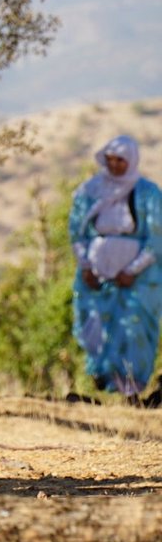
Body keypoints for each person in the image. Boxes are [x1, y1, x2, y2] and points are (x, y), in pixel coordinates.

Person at [69, 135, 162, 403]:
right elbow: (77, 232)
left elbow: (155, 238)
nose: (115, 165)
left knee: (134, 329)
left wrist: (133, 269)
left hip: (138, 279)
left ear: (131, 161)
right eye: (111, 160)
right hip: (97, 275)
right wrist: (86, 265)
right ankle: (103, 377)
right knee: (97, 326)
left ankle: (131, 391)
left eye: (121, 160)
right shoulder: (90, 191)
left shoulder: (148, 192)